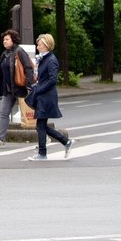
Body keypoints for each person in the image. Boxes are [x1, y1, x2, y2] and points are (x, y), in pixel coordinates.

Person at [24, 33, 74, 161]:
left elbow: (52, 80)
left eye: (39, 44)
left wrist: (39, 89)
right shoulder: (44, 58)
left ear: (46, 45)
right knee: (41, 125)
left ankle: (42, 153)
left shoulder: (51, 60)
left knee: (40, 125)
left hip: (46, 96)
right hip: (43, 95)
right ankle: (65, 142)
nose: (37, 46)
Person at [0, 29, 34, 149]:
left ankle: (45, 136)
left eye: (7, 39)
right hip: (9, 91)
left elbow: (28, 68)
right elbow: (2, 74)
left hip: (21, 89)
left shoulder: (19, 52)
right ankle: (0, 139)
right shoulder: (5, 54)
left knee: (33, 113)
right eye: (4, 40)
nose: (5, 41)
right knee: (3, 114)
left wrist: (29, 86)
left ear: (13, 40)